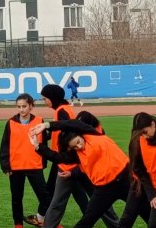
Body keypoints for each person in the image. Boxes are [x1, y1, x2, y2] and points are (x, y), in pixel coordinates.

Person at [38, 84, 119, 228]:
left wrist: (46, 138)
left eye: (45, 98)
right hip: (77, 163)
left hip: (71, 163)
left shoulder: (62, 111)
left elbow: (67, 135)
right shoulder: (64, 109)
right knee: (94, 199)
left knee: (58, 203)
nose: (44, 101)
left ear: (52, 98)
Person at [30, 115, 130, 228]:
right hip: (102, 187)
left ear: (81, 133)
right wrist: (38, 146)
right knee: (86, 217)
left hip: (123, 180)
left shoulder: (93, 134)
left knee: (139, 210)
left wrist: (46, 125)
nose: (79, 146)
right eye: (75, 146)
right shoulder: (77, 154)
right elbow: (58, 157)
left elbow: (73, 124)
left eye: (78, 141)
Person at [0, 93, 51, 228]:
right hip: (15, 167)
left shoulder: (39, 121)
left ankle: (48, 221)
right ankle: (18, 224)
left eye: (24, 106)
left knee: (45, 197)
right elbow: (4, 146)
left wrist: (44, 161)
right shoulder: (10, 122)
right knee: (16, 198)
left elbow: (44, 144)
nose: (21, 109)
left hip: (35, 165)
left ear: (31, 106)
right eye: (18, 106)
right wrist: (6, 166)